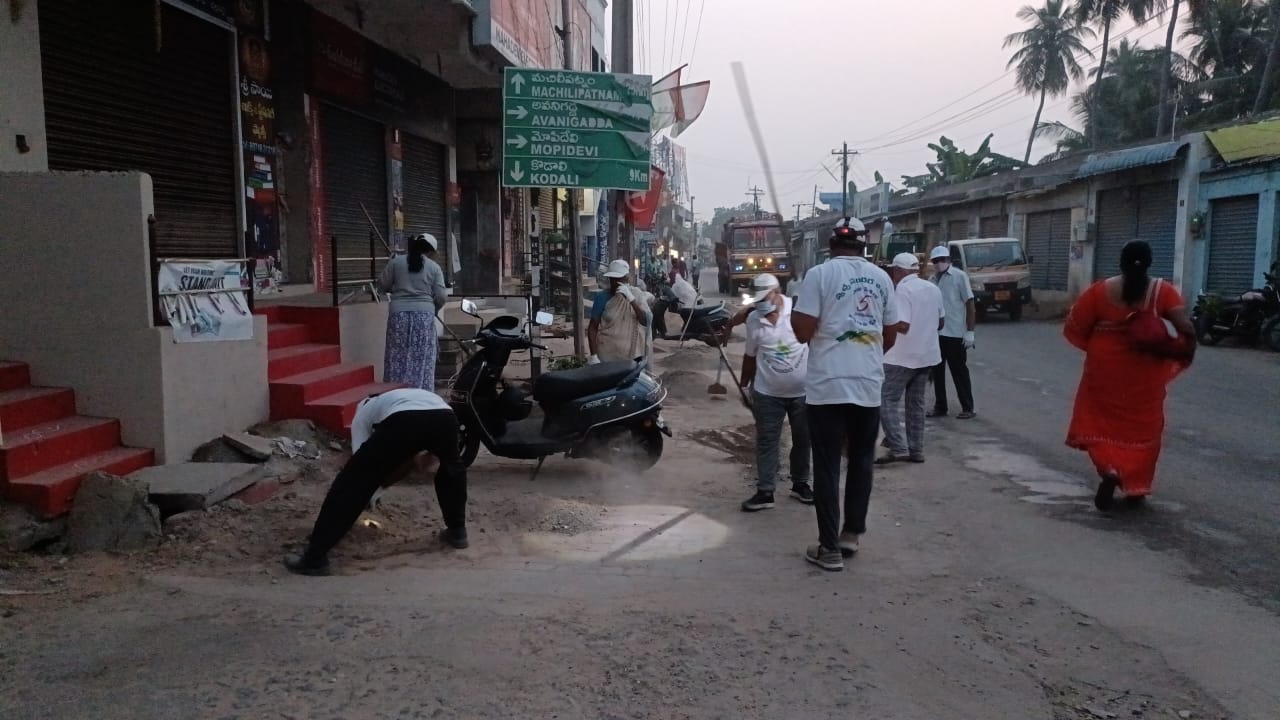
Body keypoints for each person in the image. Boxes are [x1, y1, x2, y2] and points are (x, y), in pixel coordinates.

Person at [791, 217, 899, 571]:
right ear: (863, 246)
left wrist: (798, 306)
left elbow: (802, 332)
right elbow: (890, 334)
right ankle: (851, 533)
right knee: (862, 459)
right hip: (867, 383)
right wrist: (864, 356)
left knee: (826, 465)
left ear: (831, 244)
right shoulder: (882, 278)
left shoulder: (819, 275)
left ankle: (828, 548)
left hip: (828, 385)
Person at [1064, 241, 1195, 511]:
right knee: (1145, 428)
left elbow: (1076, 326)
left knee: (1097, 423)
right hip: (1144, 372)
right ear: (1149, 263)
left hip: (1104, 368)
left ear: (1121, 262)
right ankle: (1136, 486)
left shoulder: (1100, 291)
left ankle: (1110, 469)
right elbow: (1186, 328)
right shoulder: (1162, 291)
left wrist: (1101, 345)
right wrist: (1179, 348)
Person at [284, 388, 468, 576]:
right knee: (452, 470)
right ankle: (458, 531)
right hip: (445, 417)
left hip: (406, 419)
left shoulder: (363, 414)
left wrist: (369, 495)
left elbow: (362, 469)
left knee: (352, 481)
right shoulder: (401, 398)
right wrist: (381, 487)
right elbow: (413, 458)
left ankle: (314, 558)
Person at [726, 273, 813, 512]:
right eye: (757, 300)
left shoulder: (798, 312)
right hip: (767, 394)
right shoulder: (754, 319)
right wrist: (744, 386)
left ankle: (800, 484)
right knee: (767, 441)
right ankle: (765, 491)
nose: (761, 304)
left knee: (803, 440)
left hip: (803, 392)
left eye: (764, 298)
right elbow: (750, 356)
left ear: (777, 292)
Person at [878, 253, 945, 464]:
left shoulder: (902, 290)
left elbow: (903, 325)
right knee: (916, 404)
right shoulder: (933, 288)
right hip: (926, 355)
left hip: (901, 356)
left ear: (899, 271)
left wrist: (882, 322)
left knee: (885, 399)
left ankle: (898, 446)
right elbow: (941, 322)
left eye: (893, 270)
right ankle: (916, 450)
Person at [378, 233, 448, 391]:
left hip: (398, 316)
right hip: (424, 317)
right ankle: (420, 394)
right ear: (430, 251)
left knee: (396, 356)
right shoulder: (434, 267)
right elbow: (441, 297)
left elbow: (381, 285)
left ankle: (395, 393)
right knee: (421, 358)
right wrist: (434, 309)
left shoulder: (396, 262)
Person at [928, 245, 977, 419]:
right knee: (937, 372)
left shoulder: (959, 276)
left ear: (949, 260)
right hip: (937, 333)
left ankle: (967, 407)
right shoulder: (932, 279)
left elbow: (970, 304)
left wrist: (970, 331)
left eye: (943, 260)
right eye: (936, 260)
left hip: (955, 333)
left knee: (959, 371)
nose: (940, 263)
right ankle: (940, 406)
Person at [588, 259, 651, 365]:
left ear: (626, 278)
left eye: (618, 279)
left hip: (631, 357)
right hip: (606, 355)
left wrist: (631, 299)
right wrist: (593, 356)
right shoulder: (601, 298)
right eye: (612, 279)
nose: (615, 282)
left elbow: (645, 321)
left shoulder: (636, 294)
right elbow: (592, 328)